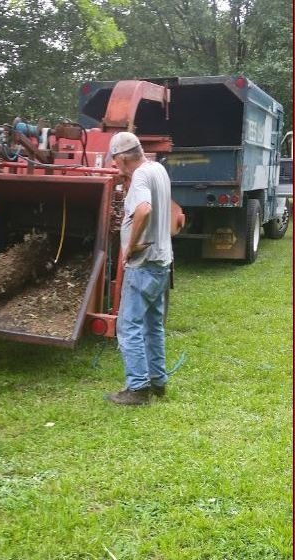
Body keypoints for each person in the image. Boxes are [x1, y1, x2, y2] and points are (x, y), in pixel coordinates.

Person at [105, 132, 173, 406]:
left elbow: (144, 210)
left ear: (122, 157)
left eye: (115, 160)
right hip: (161, 261)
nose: (115, 166)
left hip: (143, 264)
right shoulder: (158, 169)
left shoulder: (140, 178)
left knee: (128, 325)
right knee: (152, 324)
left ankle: (138, 389)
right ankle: (158, 382)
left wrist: (130, 247)